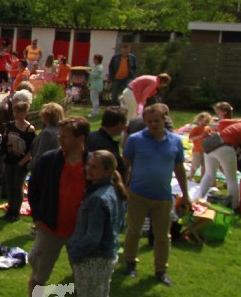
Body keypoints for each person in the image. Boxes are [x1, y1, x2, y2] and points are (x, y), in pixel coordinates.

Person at [122, 104, 189, 286]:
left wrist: (185, 194)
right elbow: (125, 164)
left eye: (157, 121)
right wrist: (123, 187)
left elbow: (179, 168)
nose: (153, 124)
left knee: (163, 236)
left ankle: (161, 270)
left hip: (163, 196)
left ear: (164, 119)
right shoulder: (135, 140)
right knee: (134, 231)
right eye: (149, 121)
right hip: (138, 194)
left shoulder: (175, 141)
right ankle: (130, 263)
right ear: (144, 121)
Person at [67, 150, 125, 297]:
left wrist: (75, 252)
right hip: (109, 255)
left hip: (93, 259)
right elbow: (121, 224)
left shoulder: (98, 199)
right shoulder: (114, 191)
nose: (88, 170)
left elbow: (93, 237)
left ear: (107, 171)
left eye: (94, 167)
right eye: (88, 165)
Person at [27, 117, 90, 297]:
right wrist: (38, 219)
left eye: (65, 137)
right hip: (49, 228)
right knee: (39, 276)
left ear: (81, 139)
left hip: (81, 231)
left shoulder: (93, 163)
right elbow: (33, 190)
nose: (59, 140)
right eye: (59, 136)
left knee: (84, 275)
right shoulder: (49, 160)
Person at [1, 100, 37, 222]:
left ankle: (15, 212)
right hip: (9, 160)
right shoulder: (10, 125)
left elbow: (32, 149)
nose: (16, 114)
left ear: (25, 113)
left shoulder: (29, 129)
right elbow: (5, 140)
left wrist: (23, 161)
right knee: (10, 186)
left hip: (21, 163)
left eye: (19, 112)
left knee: (18, 187)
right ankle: (10, 210)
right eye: (15, 112)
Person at [86, 106, 128, 180]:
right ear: (119, 124)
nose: (125, 127)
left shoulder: (92, 136)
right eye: (124, 124)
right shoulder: (104, 146)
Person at [186, 111, 212, 180]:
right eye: (204, 121)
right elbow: (191, 138)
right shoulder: (196, 129)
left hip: (206, 150)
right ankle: (190, 176)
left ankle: (203, 178)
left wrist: (209, 136)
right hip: (197, 150)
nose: (205, 123)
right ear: (199, 121)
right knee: (195, 165)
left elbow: (211, 137)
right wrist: (201, 135)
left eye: (207, 121)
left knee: (205, 166)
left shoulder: (208, 128)